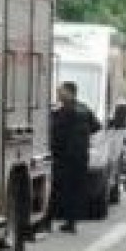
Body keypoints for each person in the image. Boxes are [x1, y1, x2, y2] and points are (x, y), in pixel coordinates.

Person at [49, 81, 97, 234]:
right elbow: (96, 126)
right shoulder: (85, 108)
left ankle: (48, 220)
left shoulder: (64, 111)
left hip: (64, 157)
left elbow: (55, 130)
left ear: (69, 93)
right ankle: (71, 223)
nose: (58, 93)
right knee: (74, 190)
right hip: (81, 156)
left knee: (56, 189)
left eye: (61, 91)